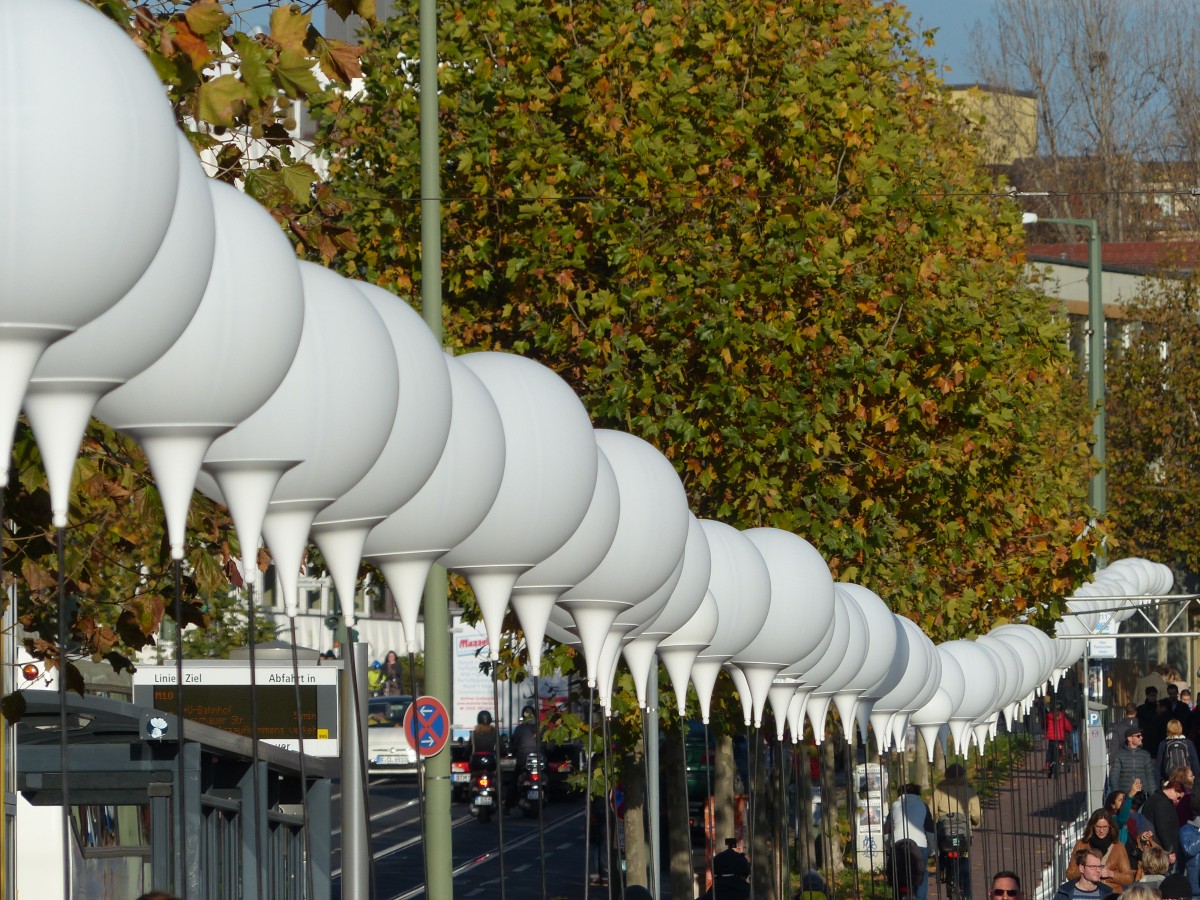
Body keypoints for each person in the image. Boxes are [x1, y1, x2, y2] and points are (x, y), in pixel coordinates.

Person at [933, 763, 982, 900]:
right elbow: (977, 814)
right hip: (962, 836)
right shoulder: (969, 791)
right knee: (964, 861)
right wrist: (974, 822)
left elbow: (931, 811)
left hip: (944, 836)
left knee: (942, 852)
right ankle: (966, 895)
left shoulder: (939, 791)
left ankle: (942, 869)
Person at [885, 783, 936, 900]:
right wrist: (933, 850)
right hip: (919, 844)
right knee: (922, 871)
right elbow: (930, 831)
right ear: (918, 793)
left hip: (898, 844)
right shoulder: (923, 805)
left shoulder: (894, 805)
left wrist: (888, 847)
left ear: (899, 794)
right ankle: (920, 897)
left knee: (897, 871)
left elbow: (886, 829)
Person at [1064, 809, 1135, 892]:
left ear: (1110, 827)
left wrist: (1111, 874)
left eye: (1105, 827)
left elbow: (1129, 878)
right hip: (1087, 893)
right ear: (1092, 826)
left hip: (1110, 894)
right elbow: (1069, 874)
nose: (1101, 831)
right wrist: (1086, 871)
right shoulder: (1081, 845)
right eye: (1098, 827)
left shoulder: (1118, 847)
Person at [1143, 777, 1187, 868]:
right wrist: (1170, 851)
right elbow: (1163, 828)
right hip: (1161, 851)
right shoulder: (1163, 803)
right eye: (1178, 797)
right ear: (1172, 790)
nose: (1178, 801)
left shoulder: (1154, 799)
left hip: (1154, 849)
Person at [1111, 729, 1157, 797]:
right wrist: (1116, 794)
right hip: (1125, 794)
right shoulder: (1119, 755)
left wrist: (1154, 795)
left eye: (1141, 735)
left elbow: (1150, 776)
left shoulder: (1145, 755)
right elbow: (1114, 776)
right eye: (1138, 736)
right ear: (1129, 738)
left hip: (1142, 794)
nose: (1141, 737)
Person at [1046, 700, 1074, 777]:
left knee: (1050, 752)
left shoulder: (1049, 716)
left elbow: (1045, 725)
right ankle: (1064, 759)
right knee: (1063, 749)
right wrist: (1070, 729)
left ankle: (1047, 764)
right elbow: (1068, 726)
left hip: (1052, 738)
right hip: (1061, 738)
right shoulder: (1063, 717)